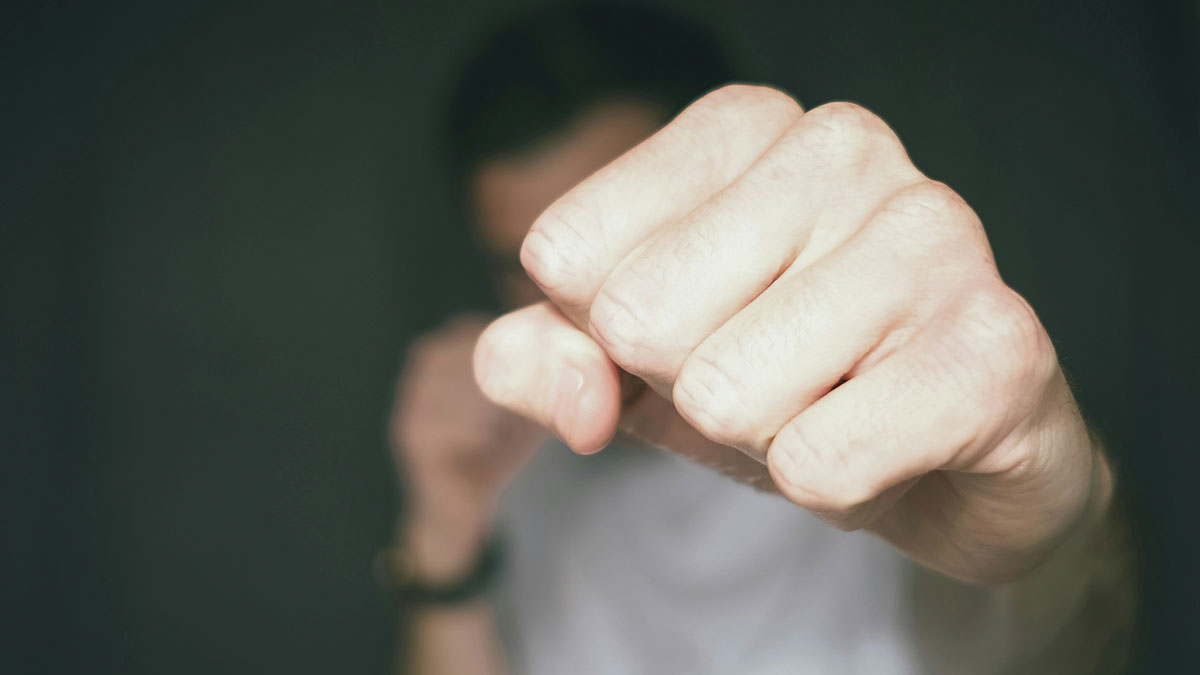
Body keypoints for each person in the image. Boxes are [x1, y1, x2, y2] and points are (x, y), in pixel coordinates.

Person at [381, 4, 1135, 673]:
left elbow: (1068, 643)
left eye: (622, 242)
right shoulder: (509, 468)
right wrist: (446, 546)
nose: (579, 312)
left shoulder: (888, 421)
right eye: (524, 268)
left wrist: (1050, 522)